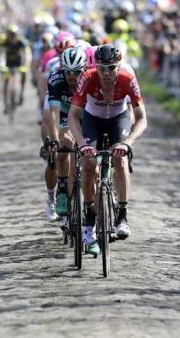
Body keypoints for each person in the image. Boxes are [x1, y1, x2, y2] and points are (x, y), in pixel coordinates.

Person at [68, 44, 147, 256]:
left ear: (118, 66)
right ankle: (90, 217)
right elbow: (73, 116)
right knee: (88, 164)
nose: (106, 73)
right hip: (93, 120)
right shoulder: (87, 78)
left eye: (111, 68)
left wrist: (127, 143)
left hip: (118, 120)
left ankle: (122, 214)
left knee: (120, 160)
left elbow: (141, 120)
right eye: (102, 68)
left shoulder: (127, 79)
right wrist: (83, 145)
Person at [44, 47, 87, 224]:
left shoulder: (90, 79)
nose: (72, 76)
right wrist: (54, 141)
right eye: (68, 72)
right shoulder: (56, 79)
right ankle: (62, 189)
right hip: (64, 114)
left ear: (84, 69)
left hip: (87, 115)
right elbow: (52, 113)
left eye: (76, 72)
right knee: (64, 145)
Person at [0, 24, 28, 114]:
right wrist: (1, 64)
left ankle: (21, 94)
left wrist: (25, 64)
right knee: (5, 82)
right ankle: (5, 104)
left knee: (24, 74)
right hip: (7, 64)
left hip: (18, 63)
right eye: (10, 34)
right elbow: (1, 53)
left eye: (13, 34)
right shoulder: (4, 41)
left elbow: (26, 53)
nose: (12, 36)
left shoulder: (21, 41)